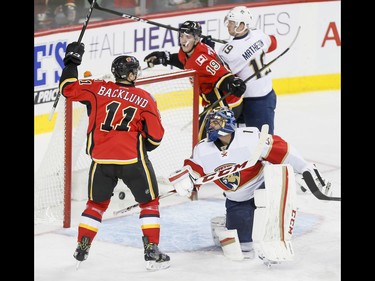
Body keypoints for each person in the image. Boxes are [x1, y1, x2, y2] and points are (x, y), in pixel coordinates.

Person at [169, 106, 332, 263]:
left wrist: (304, 168)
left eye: (216, 122)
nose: (211, 126)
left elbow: (283, 150)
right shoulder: (203, 150)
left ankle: (275, 238)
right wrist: (185, 178)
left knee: (278, 180)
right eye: (211, 123)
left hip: (262, 186)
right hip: (237, 199)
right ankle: (223, 227)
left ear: (228, 123)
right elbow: (193, 169)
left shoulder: (250, 137)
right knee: (244, 247)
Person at [59, 42, 170, 271]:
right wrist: (141, 146)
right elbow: (156, 136)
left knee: (96, 204)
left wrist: (72, 61)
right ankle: (151, 248)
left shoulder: (98, 88)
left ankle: (83, 244)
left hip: (101, 161)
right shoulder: (145, 98)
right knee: (149, 203)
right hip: (132, 161)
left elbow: (67, 88)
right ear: (130, 74)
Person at [144, 20, 246, 141]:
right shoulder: (189, 52)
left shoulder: (202, 59)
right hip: (214, 103)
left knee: (203, 142)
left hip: (224, 105)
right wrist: (165, 58)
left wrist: (232, 83)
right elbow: (184, 61)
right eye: (181, 36)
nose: (183, 40)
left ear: (197, 39)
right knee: (206, 141)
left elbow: (223, 76)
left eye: (188, 36)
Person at [217, 6, 278, 134]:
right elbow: (273, 43)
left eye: (232, 23)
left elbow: (220, 74)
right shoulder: (258, 34)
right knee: (248, 139)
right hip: (265, 95)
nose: (228, 25)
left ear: (242, 25)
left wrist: (210, 48)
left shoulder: (228, 52)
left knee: (261, 142)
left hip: (255, 103)